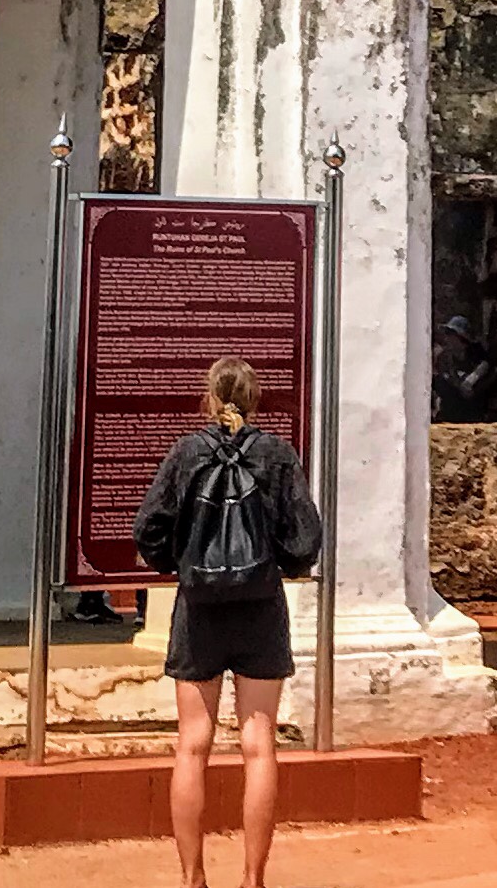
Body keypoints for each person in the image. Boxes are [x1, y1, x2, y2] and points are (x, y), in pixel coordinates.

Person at [133, 358, 323, 888]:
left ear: (209, 398)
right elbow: (305, 539)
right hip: (261, 607)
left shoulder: (187, 453)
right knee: (259, 742)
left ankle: (193, 878)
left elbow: (148, 528)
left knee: (193, 743)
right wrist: (277, 564)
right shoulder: (278, 455)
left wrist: (184, 562)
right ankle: (253, 878)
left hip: (199, 609)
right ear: (256, 398)